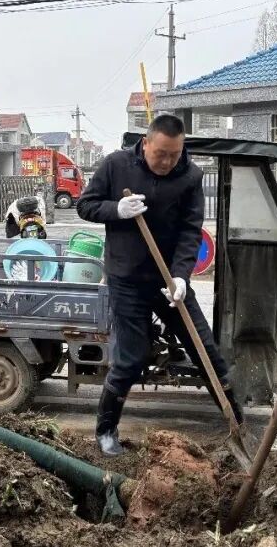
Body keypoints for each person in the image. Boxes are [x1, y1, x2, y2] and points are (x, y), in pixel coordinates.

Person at [77, 114, 242, 457]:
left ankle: (237, 425)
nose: (167, 162)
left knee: (205, 349)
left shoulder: (190, 176)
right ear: (146, 144)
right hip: (127, 279)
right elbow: (85, 205)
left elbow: (190, 230)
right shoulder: (116, 165)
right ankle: (106, 431)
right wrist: (116, 209)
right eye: (161, 154)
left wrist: (181, 275)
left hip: (169, 280)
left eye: (174, 154)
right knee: (131, 357)